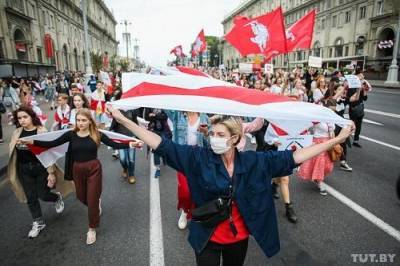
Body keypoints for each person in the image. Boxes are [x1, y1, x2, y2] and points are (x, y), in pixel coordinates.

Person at [108, 106, 354, 266]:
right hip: (206, 236)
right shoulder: (198, 158)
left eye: (220, 134)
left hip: (238, 238)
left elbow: (296, 157)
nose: (213, 138)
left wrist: (337, 139)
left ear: (235, 139)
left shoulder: (255, 161)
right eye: (211, 134)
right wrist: (123, 120)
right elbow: (163, 145)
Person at [19, 108, 142, 245]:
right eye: (78, 120)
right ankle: (95, 203)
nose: (81, 123)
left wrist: (131, 143)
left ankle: (92, 228)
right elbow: (52, 143)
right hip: (77, 169)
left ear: (90, 121)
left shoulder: (97, 133)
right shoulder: (71, 134)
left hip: (94, 169)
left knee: (92, 201)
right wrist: (33, 142)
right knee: (81, 197)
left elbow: (114, 144)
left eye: (84, 120)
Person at [8, 106, 74, 238]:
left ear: (32, 117)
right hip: (24, 169)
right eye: (19, 118)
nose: (22, 120)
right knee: (31, 197)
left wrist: (51, 172)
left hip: (41, 168)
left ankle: (56, 197)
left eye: (25, 117)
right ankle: (38, 222)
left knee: (43, 194)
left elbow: (48, 152)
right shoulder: (17, 132)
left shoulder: (41, 131)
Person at [164, 110, 208, 230]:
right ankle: (184, 212)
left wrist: (206, 134)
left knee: (198, 188)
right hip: (183, 155)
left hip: (199, 156)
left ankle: (195, 213)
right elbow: (165, 105)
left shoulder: (205, 117)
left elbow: (208, 142)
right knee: (185, 191)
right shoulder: (177, 115)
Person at [297, 122, 336, 196]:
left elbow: (332, 130)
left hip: (328, 142)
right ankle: (320, 182)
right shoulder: (315, 118)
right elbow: (308, 130)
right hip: (317, 142)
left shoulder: (329, 117)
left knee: (328, 166)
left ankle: (317, 177)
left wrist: (333, 141)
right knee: (319, 163)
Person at [347, 81, 369, 148]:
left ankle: (356, 141)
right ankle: (345, 139)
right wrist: (359, 90)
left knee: (359, 126)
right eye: (361, 78)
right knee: (351, 126)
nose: (362, 80)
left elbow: (365, 98)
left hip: (360, 109)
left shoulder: (362, 88)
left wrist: (365, 90)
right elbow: (350, 100)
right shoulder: (351, 88)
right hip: (353, 109)